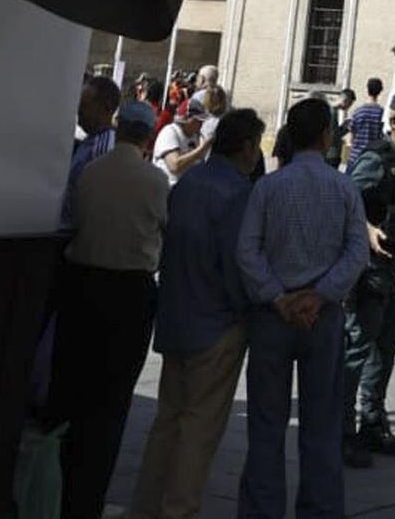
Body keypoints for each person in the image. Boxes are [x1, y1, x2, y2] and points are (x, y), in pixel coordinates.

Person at [127, 107, 265, 519]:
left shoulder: (189, 183)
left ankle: (145, 507)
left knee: (168, 420)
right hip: (216, 322)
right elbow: (238, 263)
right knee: (199, 430)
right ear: (247, 147)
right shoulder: (237, 193)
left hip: (177, 315)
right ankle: (178, 509)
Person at [236, 96, 368, 519]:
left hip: (273, 317)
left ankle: (261, 510)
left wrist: (278, 296)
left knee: (265, 424)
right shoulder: (343, 188)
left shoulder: (267, 187)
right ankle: (320, 509)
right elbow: (357, 252)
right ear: (327, 136)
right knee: (322, 424)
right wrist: (320, 294)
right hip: (322, 316)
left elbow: (247, 251)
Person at [45, 99, 170, 519]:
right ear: (147, 135)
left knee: (69, 390)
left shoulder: (91, 171)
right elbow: (164, 229)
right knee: (110, 402)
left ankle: (55, 491)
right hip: (129, 293)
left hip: (81, 285)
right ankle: (88, 499)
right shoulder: (154, 181)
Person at [343, 93, 395, 459]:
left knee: (387, 347)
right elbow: (346, 199)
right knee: (358, 347)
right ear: (393, 122)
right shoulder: (375, 159)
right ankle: (342, 429)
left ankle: (373, 422)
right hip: (372, 269)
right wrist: (367, 229)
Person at [64, 75, 122, 221]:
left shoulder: (103, 149)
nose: (79, 111)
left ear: (106, 108)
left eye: (85, 106)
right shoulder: (90, 140)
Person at [153, 97, 210, 182]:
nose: (201, 124)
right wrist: (201, 149)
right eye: (198, 120)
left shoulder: (196, 136)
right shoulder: (170, 132)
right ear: (187, 119)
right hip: (167, 186)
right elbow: (174, 166)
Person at [348, 78, 387, 158]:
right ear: (380, 91)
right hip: (372, 156)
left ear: (367, 90)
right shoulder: (381, 113)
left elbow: (351, 136)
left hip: (356, 155)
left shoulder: (358, 111)